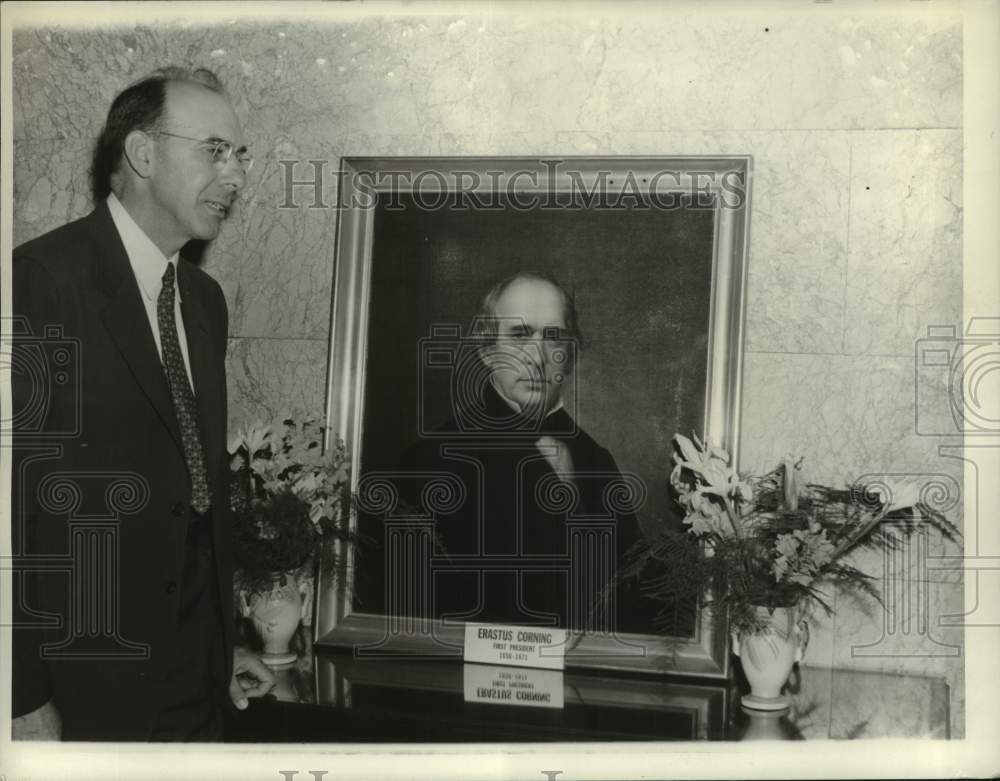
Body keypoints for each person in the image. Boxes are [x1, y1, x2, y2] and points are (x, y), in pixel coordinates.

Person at [10, 66, 274, 741]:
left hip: (194, 685)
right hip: (83, 690)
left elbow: (194, 501)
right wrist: (19, 694)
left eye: (240, 154)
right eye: (215, 149)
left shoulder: (204, 302)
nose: (237, 175)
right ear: (141, 153)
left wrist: (221, 649)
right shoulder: (39, 282)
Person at [392, 271, 649, 630]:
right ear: (486, 350)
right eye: (519, 334)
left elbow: (634, 600)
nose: (537, 357)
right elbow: (409, 609)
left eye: (554, 336)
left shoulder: (597, 461)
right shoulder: (429, 460)